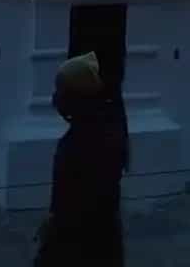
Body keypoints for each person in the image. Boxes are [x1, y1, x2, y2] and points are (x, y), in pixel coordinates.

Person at [34, 51, 130, 267]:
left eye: (62, 91)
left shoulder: (82, 143)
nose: (56, 98)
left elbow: (72, 212)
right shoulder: (105, 129)